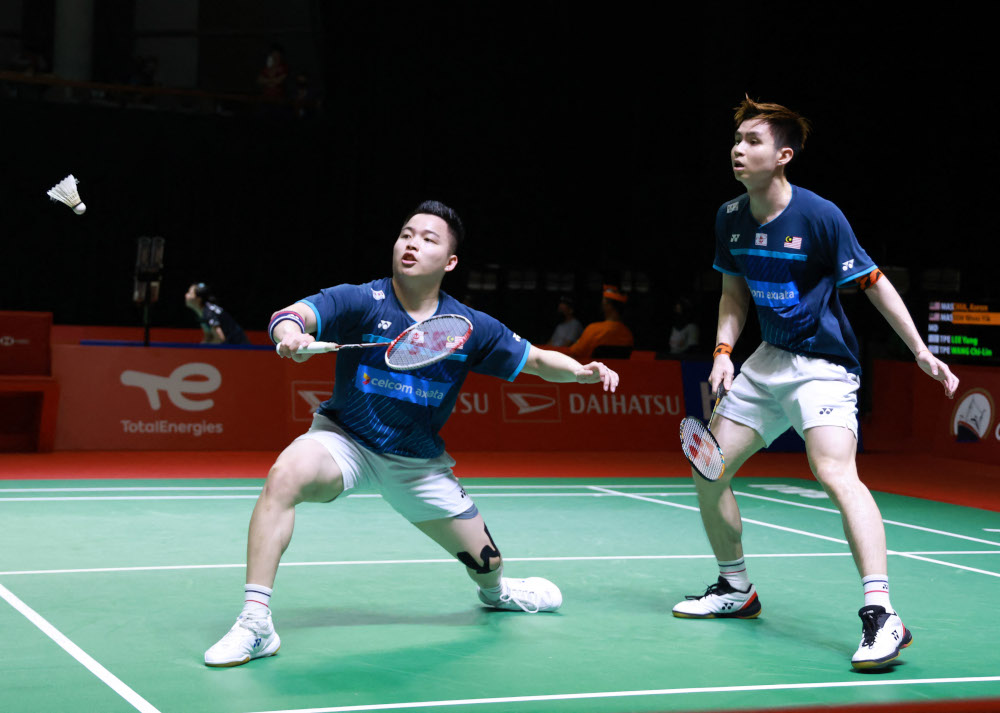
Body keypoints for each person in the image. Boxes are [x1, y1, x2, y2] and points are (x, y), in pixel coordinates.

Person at [204, 200, 620, 667]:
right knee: (285, 477)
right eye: (406, 234)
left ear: (450, 261)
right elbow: (292, 314)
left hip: (418, 464)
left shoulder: (468, 327)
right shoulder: (362, 299)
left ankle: (499, 593)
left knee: (487, 563)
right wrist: (292, 335)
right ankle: (256, 622)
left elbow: (538, 360)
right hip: (347, 440)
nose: (412, 243)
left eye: (428, 238)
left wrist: (580, 372)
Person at [671, 97, 959, 670]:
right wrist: (725, 351)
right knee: (709, 469)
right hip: (766, 358)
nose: (738, 148)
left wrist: (921, 351)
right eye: (736, 140)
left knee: (833, 472)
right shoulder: (730, 217)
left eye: (753, 141)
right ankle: (736, 589)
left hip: (822, 365)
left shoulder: (820, 215)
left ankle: (881, 613)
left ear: (782, 156)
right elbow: (733, 294)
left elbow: (874, 283)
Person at [566, 285, 634, 361]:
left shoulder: (593, 329)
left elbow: (575, 352)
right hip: (619, 372)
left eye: (603, 301)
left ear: (607, 305)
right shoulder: (628, 334)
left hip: (594, 372)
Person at [184, 283, 250, 345]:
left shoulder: (209, 313)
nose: (186, 295)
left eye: (189, 293)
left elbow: (220, 339)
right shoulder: (202, 312)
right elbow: (208, 336)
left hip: (239, 348)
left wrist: (204, 348)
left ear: (198, 299)